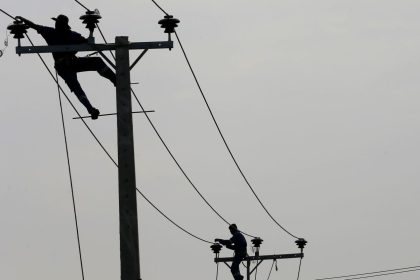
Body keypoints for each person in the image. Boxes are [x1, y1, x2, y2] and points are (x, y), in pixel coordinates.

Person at [15, 14, 116, 119]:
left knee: (93, 66)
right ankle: (91, 108)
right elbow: (88, 42)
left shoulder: (55, 33)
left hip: (66, 65)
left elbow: (34, 26)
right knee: (79, 84)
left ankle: (115, 80)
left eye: (57, 22)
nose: (56, 24)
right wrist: (91, 29)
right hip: (65, 65)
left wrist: (23, 19)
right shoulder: (65, 34)